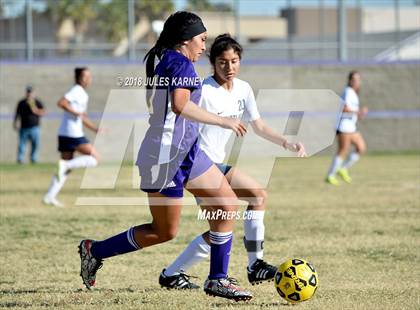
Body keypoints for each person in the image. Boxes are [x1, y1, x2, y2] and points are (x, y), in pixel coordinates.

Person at [78, 12, 253, 301]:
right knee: (164, 231)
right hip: (165, 158)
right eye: (201, 40)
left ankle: (218, 280)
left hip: (185, 152)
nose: (204, 47)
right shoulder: (180, 63)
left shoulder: (173, 61)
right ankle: (94, 251)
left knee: (226, 204)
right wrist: (223, 121)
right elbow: (181, 105)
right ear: (185, 40)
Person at [158, 34, 306, 290]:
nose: (229, 67)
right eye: (223, 62)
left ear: (240, 61)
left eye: (234, 61)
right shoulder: (202, 89)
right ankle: (173, 273)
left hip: (217, 165)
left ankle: (255, 265)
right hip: (197, 165)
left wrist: (286, 142)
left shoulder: (244, 89)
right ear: (213, 63)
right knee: (220, 225)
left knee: (257, 196)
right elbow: (180, 113)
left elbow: (258, 126)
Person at [43, 67, 100, 207]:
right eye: (86, 76)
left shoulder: (83, 94)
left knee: (63, 170)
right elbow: (61, 103)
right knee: (95, 158)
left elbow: (82, 116)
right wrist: (75, 112)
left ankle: (49, 197)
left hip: (65, 133)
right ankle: (65, 165)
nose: (89, 79)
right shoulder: (76, 90)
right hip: (72, 134)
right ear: (79, 78)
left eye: (89, 76)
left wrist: (95, 129)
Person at [326, 70, 368, 185]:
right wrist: (358, 111)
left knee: (361, 148)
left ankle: (343, 168)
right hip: (344, 126)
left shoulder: (354, 94)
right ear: (350, 81)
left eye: (358, 79)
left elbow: (352, 111)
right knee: (343, 151)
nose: (357, 82)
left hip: (351, 127)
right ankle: (330, 176)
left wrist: (359, 114)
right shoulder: (348, 91)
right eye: (354, 79)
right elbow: (344, 108)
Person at [13, 85, 45, 164]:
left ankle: (33, 159)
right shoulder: (21, 102)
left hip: (34, 127)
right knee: (22, 145)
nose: (29, 94)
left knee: (35, 144)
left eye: (30, 92)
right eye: (28, 92)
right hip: (24, 127)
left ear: (33, 93)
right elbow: (17, 114)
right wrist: (15, 123)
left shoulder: (37, 102)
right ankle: (20, 159)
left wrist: (35, 110)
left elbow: (43, 112)